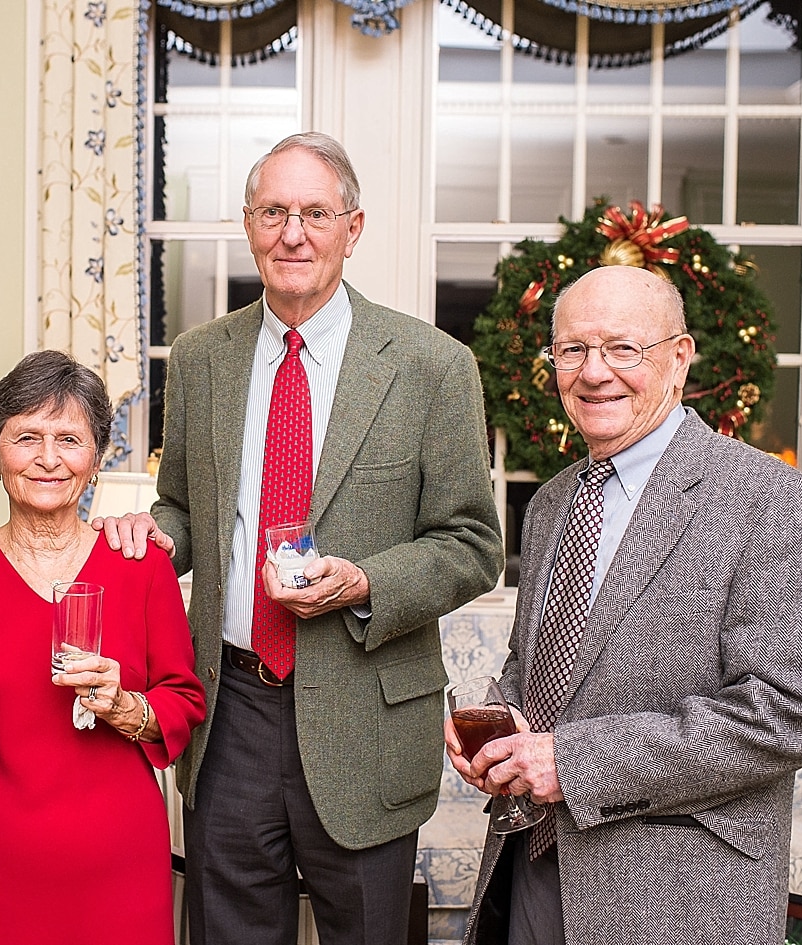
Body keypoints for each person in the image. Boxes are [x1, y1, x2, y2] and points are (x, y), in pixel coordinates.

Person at [95, 132, 504, 945]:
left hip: (366, 712)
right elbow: (181, 506)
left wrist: (365, 582)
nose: (293, 232)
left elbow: (471, 543)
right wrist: (154, 534)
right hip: (231, 704)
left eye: (315, 213)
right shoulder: (205, 358)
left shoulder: (431, 365)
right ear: (248, 224)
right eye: (274, 211)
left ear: (353, 228)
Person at [449, 264, 802, 945]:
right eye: (573, 349)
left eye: (622, 348)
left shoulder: (771, 501)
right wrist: (509, 725)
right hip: (531, 868)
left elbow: (794, 710)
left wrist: (570, 761)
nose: (594, 371)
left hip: (676, 896)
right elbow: (539, 668)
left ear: (680, 358)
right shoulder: (550, 503)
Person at [0, 350, 206, 945]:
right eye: (26, 437)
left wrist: (126, 706)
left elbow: (183, 701)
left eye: (69, 439)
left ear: (97, 457)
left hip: (118, 866)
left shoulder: (141, 567)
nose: (48, 459)